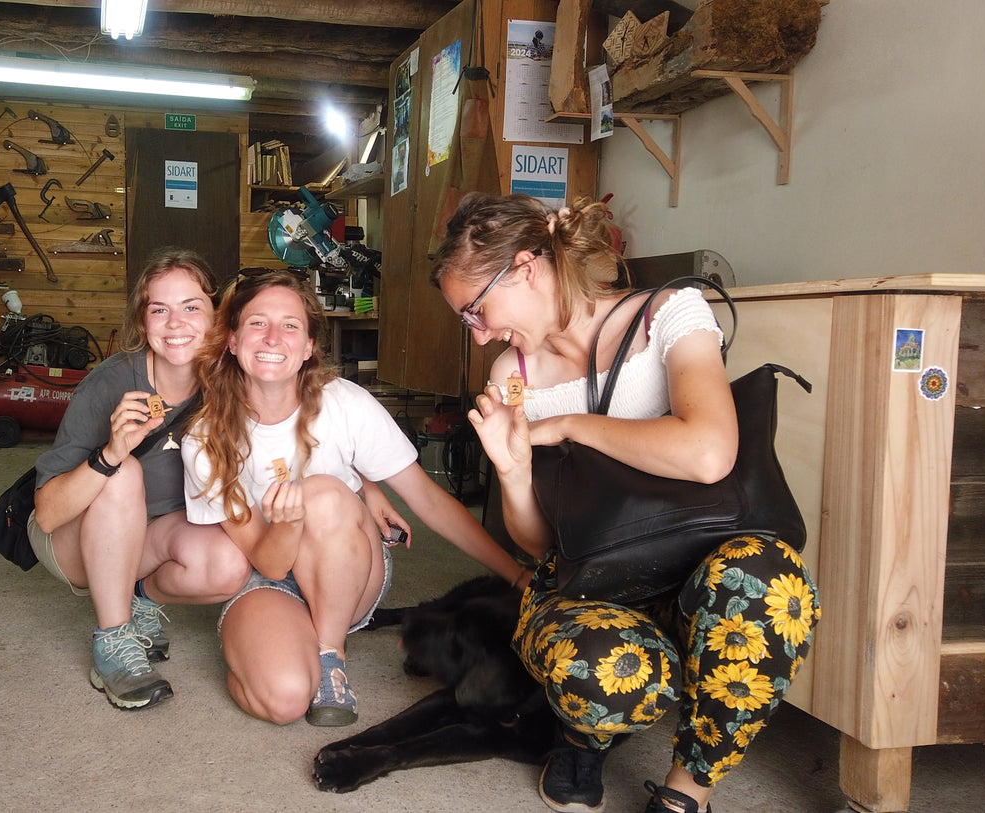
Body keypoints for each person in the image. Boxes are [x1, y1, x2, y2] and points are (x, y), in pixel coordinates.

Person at [431, 193, 820, 813]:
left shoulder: (668, 313)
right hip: (591, 583)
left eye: (476, 311)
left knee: (773, 581)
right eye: (467, 320)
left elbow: (707, 451)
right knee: (600, 669)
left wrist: (571, 427)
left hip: (703, 561)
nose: (478, 335)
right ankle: (582, 734)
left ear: (527, 268)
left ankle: (685, 792)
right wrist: (510, 471)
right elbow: (537, 544)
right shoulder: (513, 374)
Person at [181, 267, 528, 727]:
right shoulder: (203, 438)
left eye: (290, 326)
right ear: (231, 338)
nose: (272, 337)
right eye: (257, 323)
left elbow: (428, 501)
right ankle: (269, 652)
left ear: (308, 348)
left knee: (320, 492)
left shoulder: (345, 402)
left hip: (348, 574)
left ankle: (330, 655)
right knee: (283, 701)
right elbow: (267, 565)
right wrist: (285, 526)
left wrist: (518, 574)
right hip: (269, 577)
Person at [30, 248, 251, 711]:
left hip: (151, 536)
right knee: (123, 472)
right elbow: (48, 513)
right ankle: (112, 641)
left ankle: (138, 600)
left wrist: (368, 488)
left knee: (228, 565)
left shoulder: (230, 383)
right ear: (142, 320)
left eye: (192, 307)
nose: (176, 324)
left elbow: (306, 415)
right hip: (74, 536)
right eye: (160, 310)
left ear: (217, 317)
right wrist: (111, 452)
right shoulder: (111, 382)